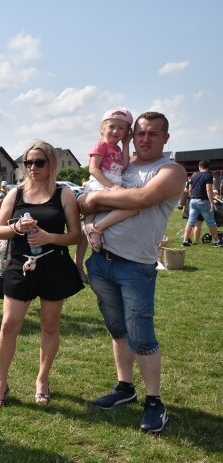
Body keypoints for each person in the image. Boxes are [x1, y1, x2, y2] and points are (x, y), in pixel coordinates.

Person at [78, 112, 186, 433]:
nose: (145, 138)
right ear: (131, 136)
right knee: (117, 329)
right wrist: (91, 199)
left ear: (166, 138)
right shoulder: (122, 167)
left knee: (141, 334)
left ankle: (154, 401)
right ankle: (125, 387)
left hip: (135, 265)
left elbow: (143, 197)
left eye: (153, 134)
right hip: (101, 261)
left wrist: (95, 197)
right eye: (139, 133)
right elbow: (82, 201)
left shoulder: (170, 170)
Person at [0, 141, 84, 409]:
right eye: (28, 162)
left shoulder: (63, 194)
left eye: (39, 162)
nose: (32, 167)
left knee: (50, 325)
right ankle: (1, 383)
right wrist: (17, 226)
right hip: (20, 265)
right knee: (9, 325)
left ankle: (42, 379)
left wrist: (48, 237)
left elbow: (76, 235)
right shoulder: (15, 195)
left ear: (51, 163)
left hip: (54, 265)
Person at [80, 108, 135, 252]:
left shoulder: (117, 149)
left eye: (121, 128)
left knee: (93, 214)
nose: (116, 131)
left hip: (111, 186)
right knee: (131, 207)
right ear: (102, 129)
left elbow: (124, 165)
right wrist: (111, 186)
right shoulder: (101, 145)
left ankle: (92, 229)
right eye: (111, 126)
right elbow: (93, 169)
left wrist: (126, 144)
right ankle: (95, 230)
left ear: (126, 133)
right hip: (100, 184)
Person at [182, 160, 222, 247]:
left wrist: (192, 197)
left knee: (190, 222)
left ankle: (185, 241)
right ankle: (217, 241)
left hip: (193, 201)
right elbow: (209, 190)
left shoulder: (194, 175)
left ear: (199, 166)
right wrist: (212, 203)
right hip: (204, 201)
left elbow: (189, 189)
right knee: (211, 222)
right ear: (208, 167)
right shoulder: (208, 175)